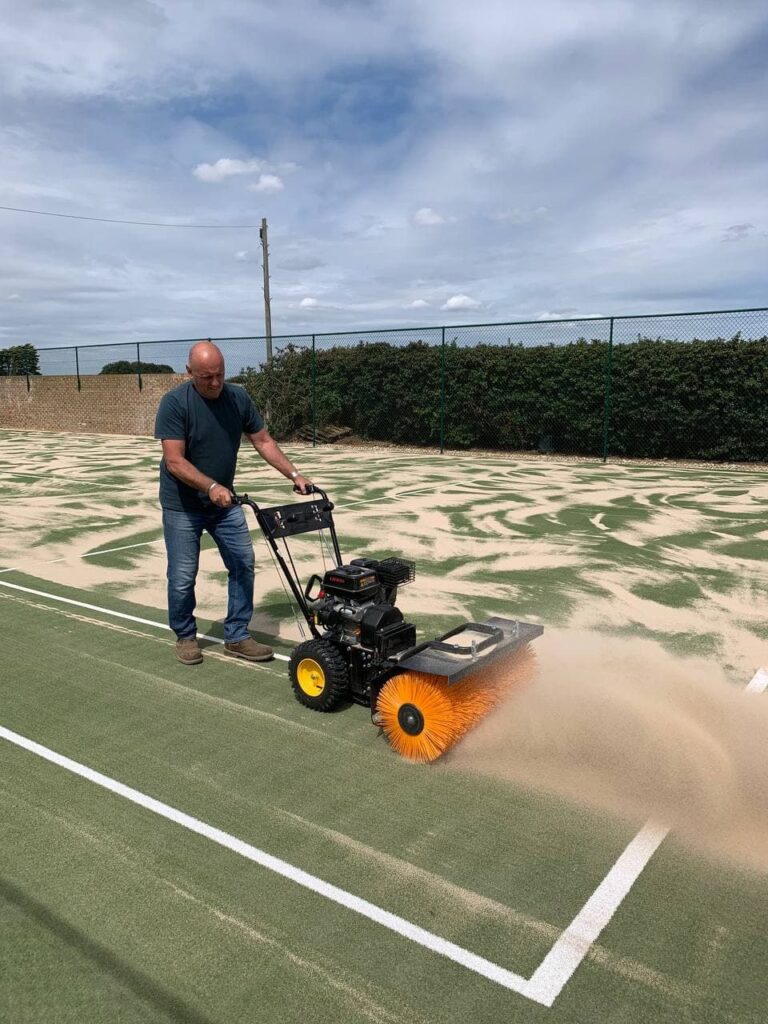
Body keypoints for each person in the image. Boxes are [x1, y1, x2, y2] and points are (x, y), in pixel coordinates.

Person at [154, 340, 312, 666]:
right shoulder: (174, 404)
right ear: (189, 372)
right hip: (183, 504)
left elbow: (263, 440)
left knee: (243, 562)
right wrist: (211, 485)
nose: (214, 383)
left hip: (223, 503)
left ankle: (237, 635)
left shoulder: (237, 397)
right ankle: (185, 635)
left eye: (219, 375)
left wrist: (294, 475)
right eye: (205, 377)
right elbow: (174, 461)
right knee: (183, 575)